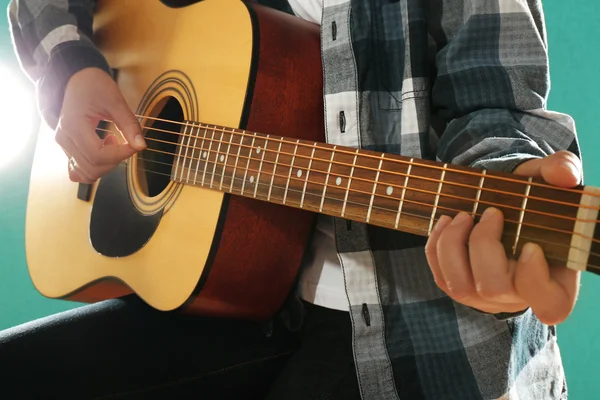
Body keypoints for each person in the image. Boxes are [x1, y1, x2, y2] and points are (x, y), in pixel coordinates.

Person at [1, 0, 584, 398]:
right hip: (220, 298)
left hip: (414, 338)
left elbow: (494, 110)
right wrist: (71, 70)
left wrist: (511, 188)